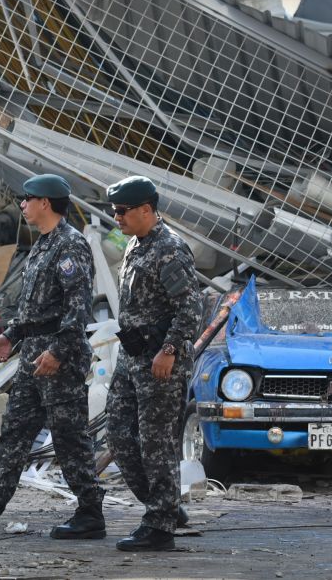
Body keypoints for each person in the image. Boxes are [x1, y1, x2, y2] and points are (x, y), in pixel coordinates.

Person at [0, 174, 105, 539]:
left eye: (27, 198)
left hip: (58, 359)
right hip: (34, 355)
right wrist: (11, 336)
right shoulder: (43, 246)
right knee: (15, 432)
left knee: (69, 437)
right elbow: (36, 309)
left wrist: (57, 352)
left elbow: (77, 311)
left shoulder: (70, 246)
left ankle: (91, 511)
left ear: (45, 203)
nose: (22, 205)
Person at [103, 176, 201, 552]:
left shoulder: (170, 249)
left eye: (123, 211)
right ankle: (166, 506)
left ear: (147, 209)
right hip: (133, 359)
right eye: (114, 211)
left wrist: (170, 350)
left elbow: (191, 308)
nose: (117, 217)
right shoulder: (135, 243)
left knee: (155, 443)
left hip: (160, 361)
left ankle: (159, 525)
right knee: (119, 436)